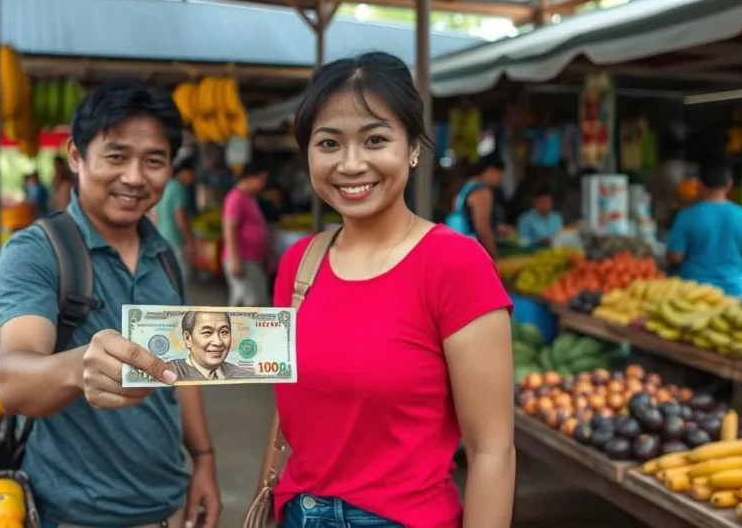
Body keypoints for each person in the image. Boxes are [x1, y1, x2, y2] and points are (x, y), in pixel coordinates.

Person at [270, 51, 515, 527]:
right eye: (329, 144)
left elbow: (492, 451)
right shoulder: (298, 265)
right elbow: (283, 406)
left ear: (413, 148)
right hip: (297, 512)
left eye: (375, 139)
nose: (351, 164)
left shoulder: (455, 265)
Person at [0, 79, 220, 528]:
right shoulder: (36, 252)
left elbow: (185, 370)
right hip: (74, 515)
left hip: (168, 505)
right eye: (116, 156)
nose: (134, 177)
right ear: (76, 156)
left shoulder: (165, 258)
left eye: (154, 161)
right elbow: (12, 381)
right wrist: (78, 367)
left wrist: (204, 459)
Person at [667, 162, 742, 299]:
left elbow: (675, 257)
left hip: (694, 295)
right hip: (734, 294)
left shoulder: (686, 216)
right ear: (729, 184)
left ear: (700, 185)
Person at [222, 161, 271, 307]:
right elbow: (229, 228)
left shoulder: (249, 198)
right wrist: (235, 259)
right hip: (242, 257)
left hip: (251, 258)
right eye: (261, 179)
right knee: (253, 303)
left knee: (243, 300)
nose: (263, 183)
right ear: (249, 178)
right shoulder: (235, 198)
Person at [450, 152, 511, 259]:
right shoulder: (482, 191)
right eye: (500, 175)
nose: (500, 180)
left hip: (458, 247)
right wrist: (494, 257)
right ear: (491, 170)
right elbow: (482, 228)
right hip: (473, 252)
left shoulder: (464, 187)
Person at [167, 311, 249, 381]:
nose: (218, 342)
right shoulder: (169, 372)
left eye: (224, 332)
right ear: (188, 338)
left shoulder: (239, 373)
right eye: (207, 332)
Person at [157, 156, 196, 284]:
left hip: (163, 236)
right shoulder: (179, 189)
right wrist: (188, 240)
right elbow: (181, 217)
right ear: (184, 172)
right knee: (180, 279)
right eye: (192, 173)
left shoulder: (167, 186)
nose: (193, 177)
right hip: (175, 239)